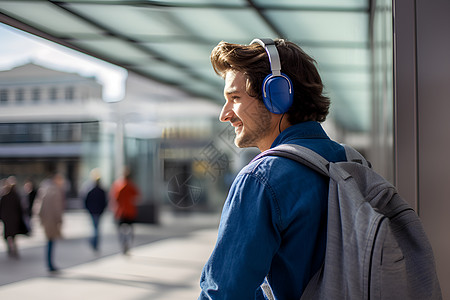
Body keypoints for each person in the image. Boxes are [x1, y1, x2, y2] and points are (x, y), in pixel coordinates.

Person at [198, 38, 347, 299]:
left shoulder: (261, 180)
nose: (224, 114)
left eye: (234, 98)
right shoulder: (349, 162)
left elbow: (223, 293)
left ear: (276, 96)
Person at [35, 173, 66, 272]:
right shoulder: (55, 191)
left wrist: (41, 219)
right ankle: (50, 264)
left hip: (46, 221)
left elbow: (38, 207)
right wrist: (59, 220)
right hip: (52, 221)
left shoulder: (44, 189)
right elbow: (57, 209)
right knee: (50, 243)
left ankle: (49, 263)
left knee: (49, 242)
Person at [110, 168, 140, 254]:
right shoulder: (131, 185)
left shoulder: (118, 185)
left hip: (121, 212)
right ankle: (128, 242)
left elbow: (115, 198)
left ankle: (124, 243)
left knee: (121, 230)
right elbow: (137, 196)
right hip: (130, 211)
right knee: (130, 229)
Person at [0, 176, 28, 258]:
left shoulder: (5, 195)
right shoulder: (15, 195)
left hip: (7, 218)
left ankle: (10, 248)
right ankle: (13, 248)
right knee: (13, 235)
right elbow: (20, 208)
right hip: (13, 218)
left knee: (7, 235)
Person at [84, 173, 107, 252]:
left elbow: (86, 201)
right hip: (97, 212)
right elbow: (105, 202)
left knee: (95, 228)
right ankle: (95, 243)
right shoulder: (101, 191)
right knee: (96, 228)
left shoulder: (91, 190)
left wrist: (88, 210)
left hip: (94, 212)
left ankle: (94, 243)